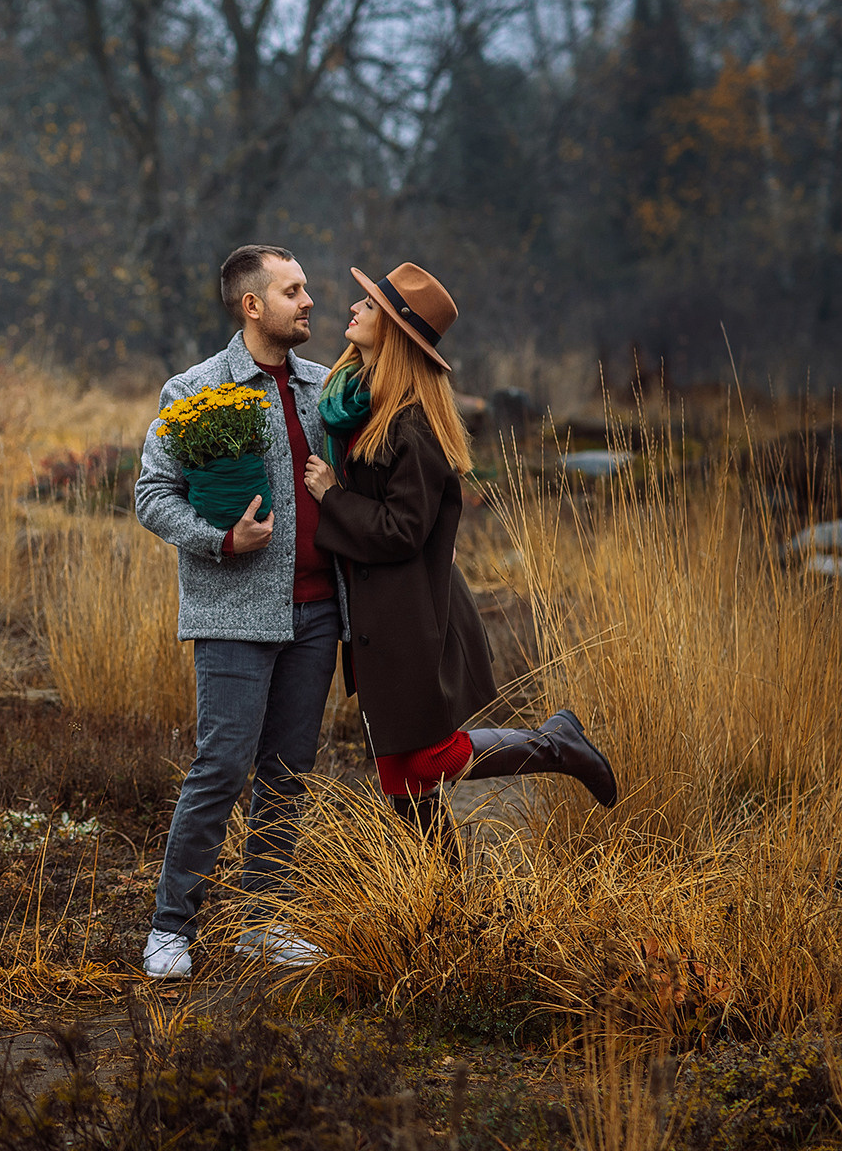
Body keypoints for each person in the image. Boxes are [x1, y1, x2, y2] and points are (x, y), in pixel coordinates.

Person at [303, 262, 618, 845]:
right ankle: (444, 911)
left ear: (394, 332)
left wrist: (332, 496)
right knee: (403, 778)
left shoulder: (412, 426)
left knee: (422, 764)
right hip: (384, 616)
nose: (352, 309)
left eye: (368, 306)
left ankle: (555, 743)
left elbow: (402, 530)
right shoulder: (357, 405)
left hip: (414, 617)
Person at [134, 245, 347, 981]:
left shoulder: (327, 390)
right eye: (293, 290)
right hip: (234, 614)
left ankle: (263, 921)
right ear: (252, 305)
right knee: (221, 768)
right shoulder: (194, 389)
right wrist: (221, 540)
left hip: (318, 615)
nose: (309, 300)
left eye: (308, 287)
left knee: (288, 773)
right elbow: (152, 494)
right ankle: (170, 928)